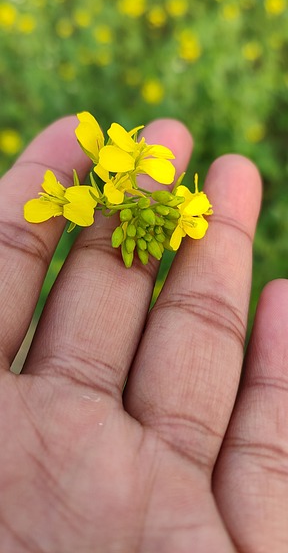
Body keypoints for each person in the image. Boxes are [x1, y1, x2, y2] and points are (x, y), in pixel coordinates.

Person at [0, 115, 287, 553]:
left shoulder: (121, 192)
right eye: (130, 160)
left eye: (134, 160)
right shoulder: (109, 192)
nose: (133, 162)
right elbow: (112, 192)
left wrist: (128, 182)